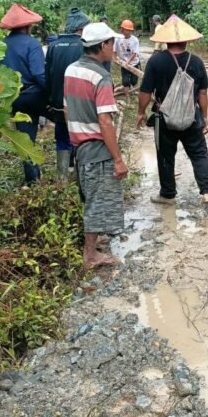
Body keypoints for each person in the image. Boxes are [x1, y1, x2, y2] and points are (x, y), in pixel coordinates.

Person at [136, 16, 208, 206]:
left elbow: (145, 92)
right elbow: (202, 93)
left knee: (165, 155)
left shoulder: (155, 62)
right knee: (199, 152)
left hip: (164, 117)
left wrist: (141, 112)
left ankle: (168, 195)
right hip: (190, 116)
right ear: (187, 40)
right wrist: (204, 116)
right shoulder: (197, 62)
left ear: (166, 40)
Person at [63, 22, 128, 269]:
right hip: (97, 148)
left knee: (89, 195)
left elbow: (67, 108)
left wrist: (75, 137)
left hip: (79, 145)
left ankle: (96, 239)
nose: (114, 47)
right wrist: (118, 159)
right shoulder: (101, 77)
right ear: (102, 45)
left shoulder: (71, 70)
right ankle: (90, 255)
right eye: (112, 43)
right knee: (98, 200)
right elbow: (104, 120)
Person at [0, 3, 46, 185]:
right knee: (63, 119)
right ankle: (68, 166)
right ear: (27, 26)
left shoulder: (1, 45)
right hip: (32, 95)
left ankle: (32, 177)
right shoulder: (32, 44)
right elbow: (39, 74)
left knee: (25, 139)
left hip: (12, 97)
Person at [46, 8, 90, 180]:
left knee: (62, 138)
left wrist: (49, 99)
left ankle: (62, 178)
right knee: (81, 138)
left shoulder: (53, 46)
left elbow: (47, 75)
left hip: (57, 102)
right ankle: (80, 177)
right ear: (81, 28)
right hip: (79, 104)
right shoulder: (85, 46)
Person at [114, 19, 141, 101]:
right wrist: (115, 60)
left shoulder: (135, 40)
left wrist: (128, 62)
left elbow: (135, 53)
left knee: (134, 80)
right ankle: (127, 96)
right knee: (125, 81)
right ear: (122, 29)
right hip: (123, 63)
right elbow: (114, 51)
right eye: (127, 29)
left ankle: (132, 89)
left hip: (134, 63)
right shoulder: (118, 39)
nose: (129, 31)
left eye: (130, 30)